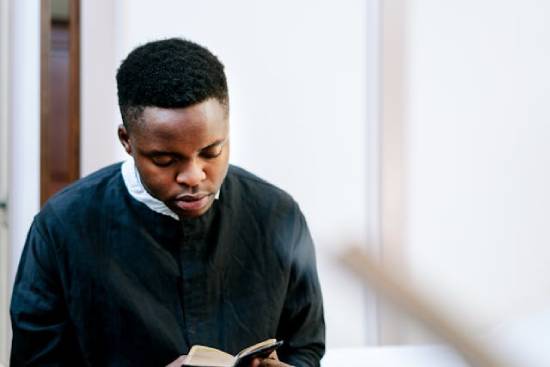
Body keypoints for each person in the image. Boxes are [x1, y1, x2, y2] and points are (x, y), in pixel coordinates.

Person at [10, 38, 325, 366]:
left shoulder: (277, 214)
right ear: (127, 141)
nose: (193, 176)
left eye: (211, 152)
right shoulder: (62, 227)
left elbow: (306, 347)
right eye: (164, 159)